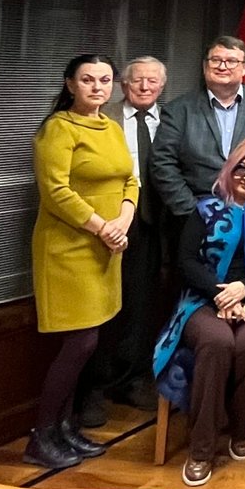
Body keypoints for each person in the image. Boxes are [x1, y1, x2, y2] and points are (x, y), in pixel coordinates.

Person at [152, 136, 245, 488]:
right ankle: (201, 449)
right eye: (241, 168)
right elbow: (186, 260)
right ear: (230, 168)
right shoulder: (205, 209)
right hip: (204, 301)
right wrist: (222, 295)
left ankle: (241, 427)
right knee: (217, 342)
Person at [25, 54, 137, 469]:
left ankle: (65, 428)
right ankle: (41, 437)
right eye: (88, 80)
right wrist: (101, 227)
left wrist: (123, 219)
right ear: (70, 84)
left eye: (105, 80)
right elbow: (55, 191)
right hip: (68, 248)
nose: (97, 87)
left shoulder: (111, 127)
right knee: (80, 342)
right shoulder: (58, 128)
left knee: (89, 341)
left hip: (106, 247)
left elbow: (131, 180)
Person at [82, 55, 167, 422]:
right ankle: (94, 386)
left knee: (143, 306)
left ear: (162, 86)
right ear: (124, 85)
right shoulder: (104, 117)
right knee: (104, 307)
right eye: (137, 80)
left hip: (156, 226)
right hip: (109, 222)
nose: (145, 87)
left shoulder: (172, 119)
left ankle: (133, 378)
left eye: (152, 81)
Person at [149, 35, 245, 222]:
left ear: (244, 68)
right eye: (216, 60)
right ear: (205, 66)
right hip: (196, 212)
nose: (222, 66)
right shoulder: (177, 110)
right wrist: (193, 213)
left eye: (232, 61)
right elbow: (162, 163)